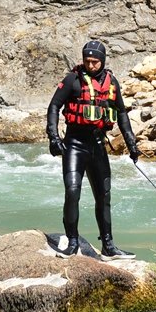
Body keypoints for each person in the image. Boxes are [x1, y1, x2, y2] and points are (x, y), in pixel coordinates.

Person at [46, 39, 141, 259]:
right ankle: (71, 243)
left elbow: (122, 114)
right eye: (87, 61)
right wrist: (53, 136)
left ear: (102, 60)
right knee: (72, 192)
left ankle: (108, 246)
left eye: (95, 61)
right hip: (75, 145)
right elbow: (54, 106)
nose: (91, 65)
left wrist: (131, 144)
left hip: (98, 146)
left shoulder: (111, 83)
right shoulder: (72, 80)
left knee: (103, 196)